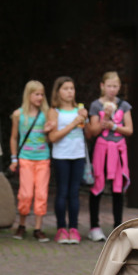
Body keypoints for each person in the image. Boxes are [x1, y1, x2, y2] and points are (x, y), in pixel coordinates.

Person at [86, 71, 133, 242]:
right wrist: (104, 117)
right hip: (101, 151)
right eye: (109, 86)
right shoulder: (95, 106)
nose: (112, 89)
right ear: (102, 86)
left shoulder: (124, 106)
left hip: (118, 152)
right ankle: (94, 226)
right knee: (97, 186)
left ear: (119, 87)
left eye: (115, 86)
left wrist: (114, 126)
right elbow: (92, 131)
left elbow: (129, 130)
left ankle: (118, 226)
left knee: (118, 188)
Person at [45, 76, 89, 244]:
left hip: (78, 155)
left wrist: (86, 118)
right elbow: (53, 137)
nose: (70, 92)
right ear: (58, 92)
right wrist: (73, 123)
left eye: (72, 88)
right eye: (65, 89)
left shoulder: (80, 110)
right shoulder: (54, 111)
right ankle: (61, 229)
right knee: (62, 192)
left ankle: (74, 229)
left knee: (74, 193)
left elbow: (89, 132)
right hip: (61, 156)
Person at [8, 80, 50, 242]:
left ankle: (38, 228)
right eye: (36, 94)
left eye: (42, 94)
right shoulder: (19, 114)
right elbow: (13, 138)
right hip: (25, 158)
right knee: (25, 194)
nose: (40, 97)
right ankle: (22, 225)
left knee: (41, 193)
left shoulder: (46, 114)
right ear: (29, 95)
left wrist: (48, 131)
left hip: (43, 159)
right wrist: (14, 158)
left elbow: (50, 139)